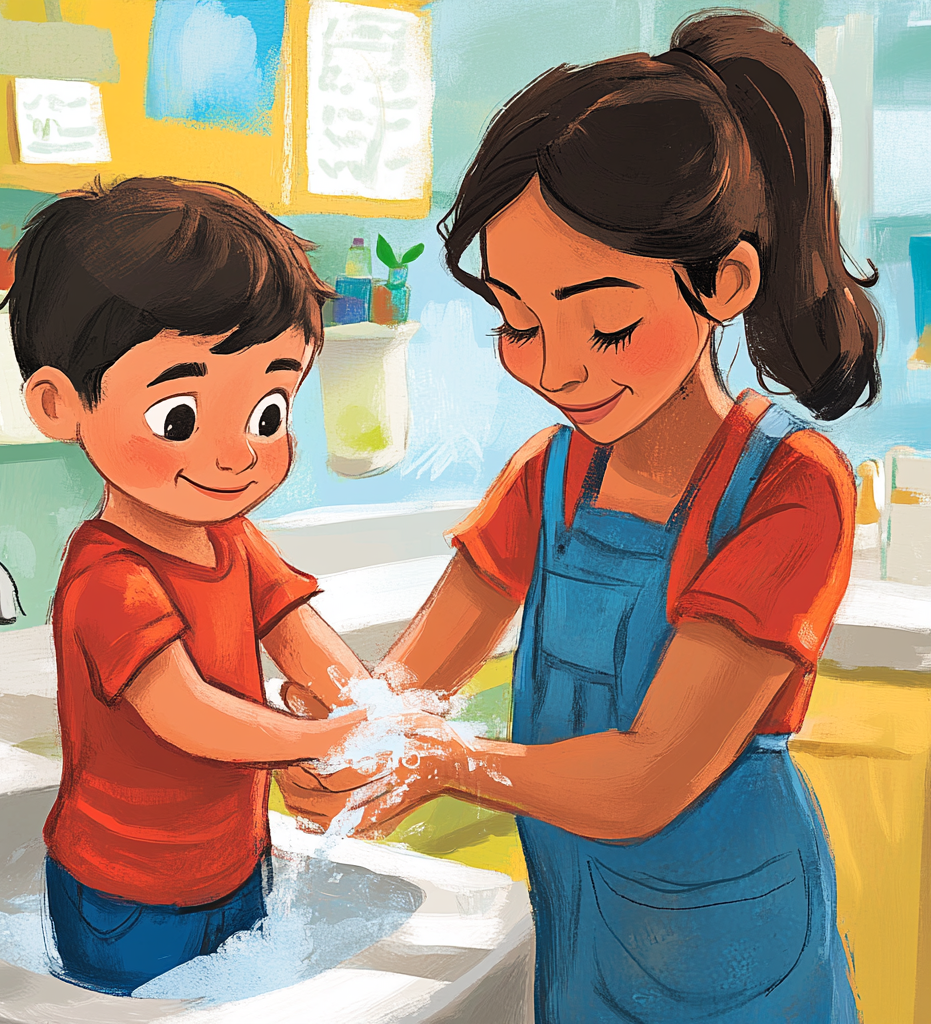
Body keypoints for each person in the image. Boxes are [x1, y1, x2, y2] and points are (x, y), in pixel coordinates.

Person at [282, 11, 879, 1022]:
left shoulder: (790, 488)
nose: (554, 369)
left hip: (743, 964)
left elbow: (649, 777)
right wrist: (343, 733)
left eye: (605, 325)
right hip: (583, 942)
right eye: (518, 322)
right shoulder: (547, 477)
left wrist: (432, 760)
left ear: (725, 283)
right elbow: (411, 680)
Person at [5, 177, 367, 995]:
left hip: (237, 863)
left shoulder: (233, 538)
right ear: (60, 403)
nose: (239, 453)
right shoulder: (109, 576)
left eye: (269, 410)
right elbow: (187, 714)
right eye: (180, 416)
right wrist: (320, 739)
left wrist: (372, 711)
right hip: (122, 891)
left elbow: (305, 641)